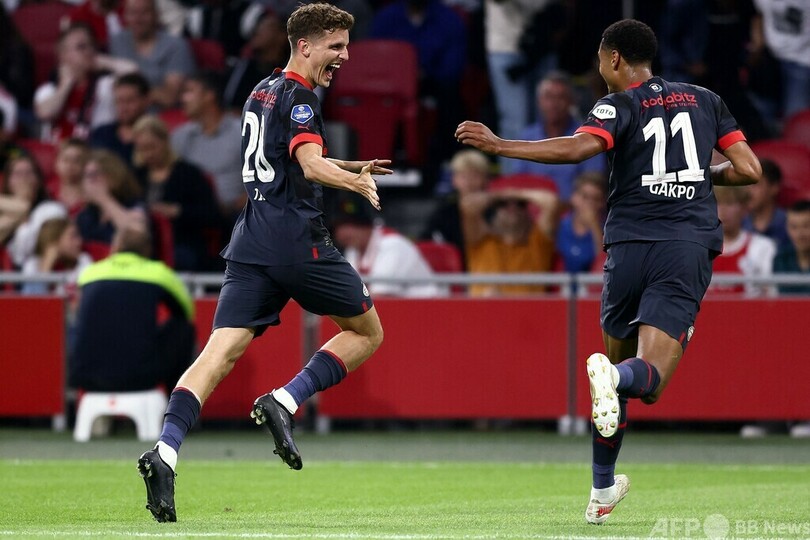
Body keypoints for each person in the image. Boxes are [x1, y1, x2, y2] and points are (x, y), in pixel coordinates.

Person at [456, 19, 761, 524]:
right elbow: (749, 169)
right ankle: (615, 378)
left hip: (626, 248)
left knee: (613, 390)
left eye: (600, 58)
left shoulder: (617, 105)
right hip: (683, 247)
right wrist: (699, 174)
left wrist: (500, 147)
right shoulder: (706, 100)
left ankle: (602, 488)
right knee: (646, 381)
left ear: (613, 57)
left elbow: (580, 148)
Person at [136, 3, 387, 523]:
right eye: (336, 46)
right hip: (296, 240)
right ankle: (287, 401)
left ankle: (165, 451)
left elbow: (284, 158)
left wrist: (346, 164)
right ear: (305, 46)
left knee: (218, 352)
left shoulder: (261, 89)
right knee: (367, 332)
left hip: (251, 239)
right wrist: (354, 181)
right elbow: (309, 164)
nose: (344, 56)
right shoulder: (302, 97)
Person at [69, 226, 195, 392]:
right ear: (148, 250)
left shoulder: (89, 273)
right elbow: (187, 312)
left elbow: (77, 313)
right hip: (140, 377)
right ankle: (177, 401)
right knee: (184, 329)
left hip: (87, 375)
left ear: (115, 247)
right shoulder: (159, 274)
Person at [132, 114, 221, 271]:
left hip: (183, 241)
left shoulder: (188, 174)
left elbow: (212, 215)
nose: (149, 154)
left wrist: (177, 211)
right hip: (144, 242)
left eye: (152, 147)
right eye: (142, 149)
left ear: (165, 142)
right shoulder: (136, 176)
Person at [510, 72, 607, 202]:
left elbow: (594, 183)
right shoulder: (527, 136)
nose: (553, 104)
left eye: (560, 97)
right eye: (548, 97)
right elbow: (517, 181)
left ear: (572, 102)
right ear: (539, 101)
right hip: (532, 208)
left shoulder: (587, 136)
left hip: (575, 209)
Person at [33, 23, 137, 143]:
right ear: (62, 55)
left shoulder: (104, 85)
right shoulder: (49, 89)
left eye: (91, 45)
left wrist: (104, 62)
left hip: (97, 148)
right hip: (58, 150)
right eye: (81, 47)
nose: (89, 51)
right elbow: (45, 113)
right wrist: (66, 84)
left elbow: (134, 75)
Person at [333, 194, 445, 298]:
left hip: (429, 307)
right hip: (399, 309)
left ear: (366, 225)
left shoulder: (393, 245)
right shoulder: (352, 250)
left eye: (350, 227)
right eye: (338, 228)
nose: (342, 234)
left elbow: (380, 296)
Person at [461, 182, 557, 297]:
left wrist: (517, 194)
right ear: (494, 212)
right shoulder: (481, 241)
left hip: (527, 307)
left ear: (527, 212)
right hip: (483, 306)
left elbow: (551, 202)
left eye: (520, 204)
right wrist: (500, 196)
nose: (512, 207)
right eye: (503, 204)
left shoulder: (538, 242)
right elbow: (467, 205)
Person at [171, 72, 245, 221]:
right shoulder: (180, 136)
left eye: (189, 91)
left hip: (237, 216)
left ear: (209, 95)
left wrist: (245, 202)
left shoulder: (242, 131)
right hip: (192, 217)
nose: (183, 99)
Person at [109, 0, 196, 109]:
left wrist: (133, 86)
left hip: (161, 114)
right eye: (133, 13)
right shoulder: (117, 42)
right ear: (125, 16)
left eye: (144, 12)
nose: (138, 19)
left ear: (156, 15)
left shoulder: (176, 46)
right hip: (122, 112)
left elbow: (170, 97)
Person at [420, 149, 490, 269]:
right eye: (463, 176)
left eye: (475, 176)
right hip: (454, 274)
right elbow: (426, 242)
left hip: (489, 271)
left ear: (485, 179)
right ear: (454, 180)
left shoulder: (495, 211)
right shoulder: (444, 214)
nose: (469, 183)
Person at [1, 155, 68, 268]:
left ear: (38, 180)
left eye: (29, 173)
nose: (24, 179)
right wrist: (20, 208)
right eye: (18, 174)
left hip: (40, 270)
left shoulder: (52, 209)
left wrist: (22, 209)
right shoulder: (4, 211)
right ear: (8, 182)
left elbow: (28, 252)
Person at [710, 185, 776, 297]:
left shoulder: (763, 247)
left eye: (729, 203)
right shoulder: (698, 249)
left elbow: (771, 294)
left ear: (744, 209)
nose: (723, 210)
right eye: (718, 203)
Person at [223, 7, 290, 111]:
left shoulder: (292, 72)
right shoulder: (243, 66)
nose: (257, 31)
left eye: (266, 27)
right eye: (259, 26)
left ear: (282, 36)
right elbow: (229, 104)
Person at [89, 72, 152, 168]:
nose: (123, 108)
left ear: (146, 101)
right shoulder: (101, 134)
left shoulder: (155, 136)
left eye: (130, 101)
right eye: (119, 101)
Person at [20, 216, 93, 296]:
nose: (79, 242)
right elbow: (33, 300)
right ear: (54, 241)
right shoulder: (32, 265)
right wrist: (46, 266)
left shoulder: (83, 261)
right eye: (73, 237)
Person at [555, 171, 607, 274]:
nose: (590, 203)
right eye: (585, 197)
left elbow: (604, 263)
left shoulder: (608, 233)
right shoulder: (559, 226)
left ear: (603, 203)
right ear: (574, 198)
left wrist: (594, 227)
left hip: (591, 283)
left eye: (596, 199)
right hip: (559, 282)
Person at [743, 158, 789, 248]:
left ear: (774, 187)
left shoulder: (788, 224)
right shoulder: (739, 224)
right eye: (746, 184)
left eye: (755, 185)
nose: (748, 191)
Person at [48, 138, 89, 217]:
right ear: (56, 163)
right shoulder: (47, 190)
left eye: (76, 161)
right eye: (65, 160)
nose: (70, 165)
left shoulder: (93, 193)